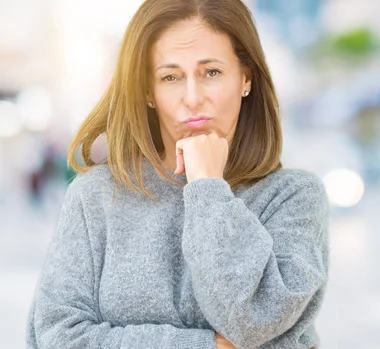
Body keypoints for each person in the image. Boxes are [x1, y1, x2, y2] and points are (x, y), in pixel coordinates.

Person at [26, 0, 329, 348]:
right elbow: (56, 336)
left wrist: (207, 188)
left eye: (211, 72)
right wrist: (208, 345)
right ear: (148, 92)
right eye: (170, 77)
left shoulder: (293, 197)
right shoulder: (95, 196)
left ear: (246, 78)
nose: (192, 97)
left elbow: (252, 322)